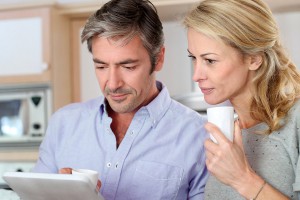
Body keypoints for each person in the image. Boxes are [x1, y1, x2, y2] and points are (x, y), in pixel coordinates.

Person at [32, 0, 209, 199]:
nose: (113, 83)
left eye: (128, 67)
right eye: (101, 67)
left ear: (158, 58)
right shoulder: (63, 124)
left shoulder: (200, 137)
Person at [183, 0, 300, 199]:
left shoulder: (295, 120)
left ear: (253, 59)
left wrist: (241, 178)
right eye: (193, 58)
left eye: (210, 60)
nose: (196, 75)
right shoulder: (228, 130)